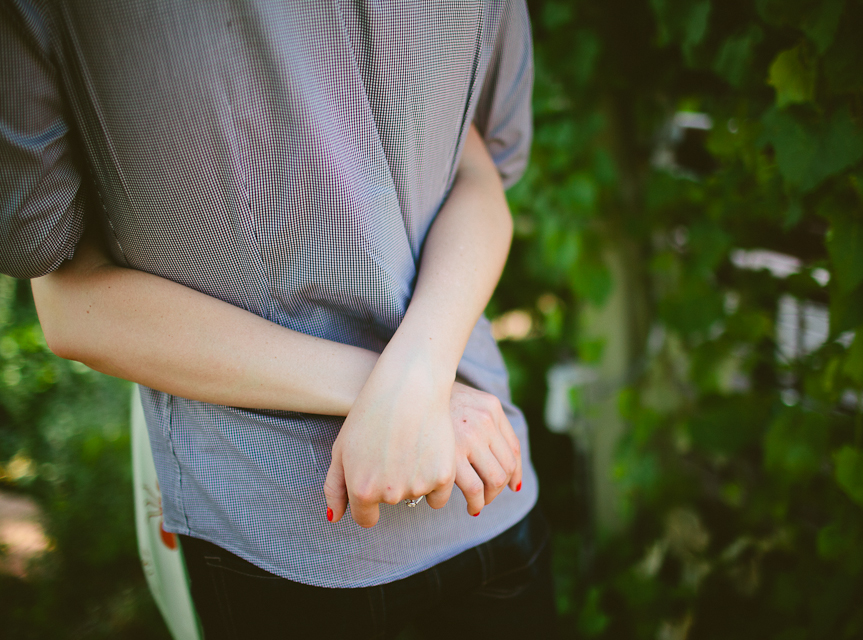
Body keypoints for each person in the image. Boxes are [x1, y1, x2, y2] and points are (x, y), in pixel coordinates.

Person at [0, 1, 556, 638]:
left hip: (279, 522)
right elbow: (477, 173)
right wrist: (414, 384)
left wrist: (414, 387)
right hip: (477, 466)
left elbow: (75, 303)